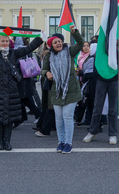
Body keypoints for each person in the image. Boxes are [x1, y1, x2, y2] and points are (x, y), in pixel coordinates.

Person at [41, 25, 84, 154]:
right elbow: (43, 69)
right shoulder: (49, 57)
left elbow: (81, 43)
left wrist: (74, 32)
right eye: (55, 42)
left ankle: (68, 143)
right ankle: (61, 142)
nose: (58, 43)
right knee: (58, 118)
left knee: (68, 116)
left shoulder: (70, 51)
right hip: (57, 90)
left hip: (71, 89)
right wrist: (46, 73)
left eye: (60, 41)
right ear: (51, 45)